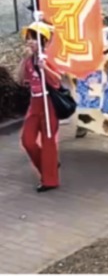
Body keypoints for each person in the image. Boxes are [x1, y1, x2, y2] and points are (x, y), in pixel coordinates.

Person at [17, 21, 61, 192]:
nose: (30, 42)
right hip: (34, 102)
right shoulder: (30, 59)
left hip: (48, 102)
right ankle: (48, 166)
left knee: (48, 141)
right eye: (28, 38)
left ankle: (50, 180)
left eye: (34, 38)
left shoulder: (47, 58)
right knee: (27, 140)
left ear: (43, 41)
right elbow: (21, 79)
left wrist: (45, 69)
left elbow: (57, 81)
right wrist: (24, 59)